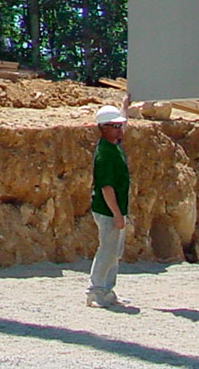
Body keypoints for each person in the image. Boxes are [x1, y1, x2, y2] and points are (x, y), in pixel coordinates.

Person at [86, 96, 130, 308]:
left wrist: (125, 107)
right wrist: (117, 215)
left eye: (120, 125)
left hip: (116, 209)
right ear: (103, 128)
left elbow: (124, 125)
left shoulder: (113, 144)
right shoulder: (104, 154)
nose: (120, 130)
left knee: (115, 252)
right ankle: (95, 292)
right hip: (107, 210)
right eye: (115, 126)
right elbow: (106, 187)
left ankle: (107, 291)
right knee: (107, 250)